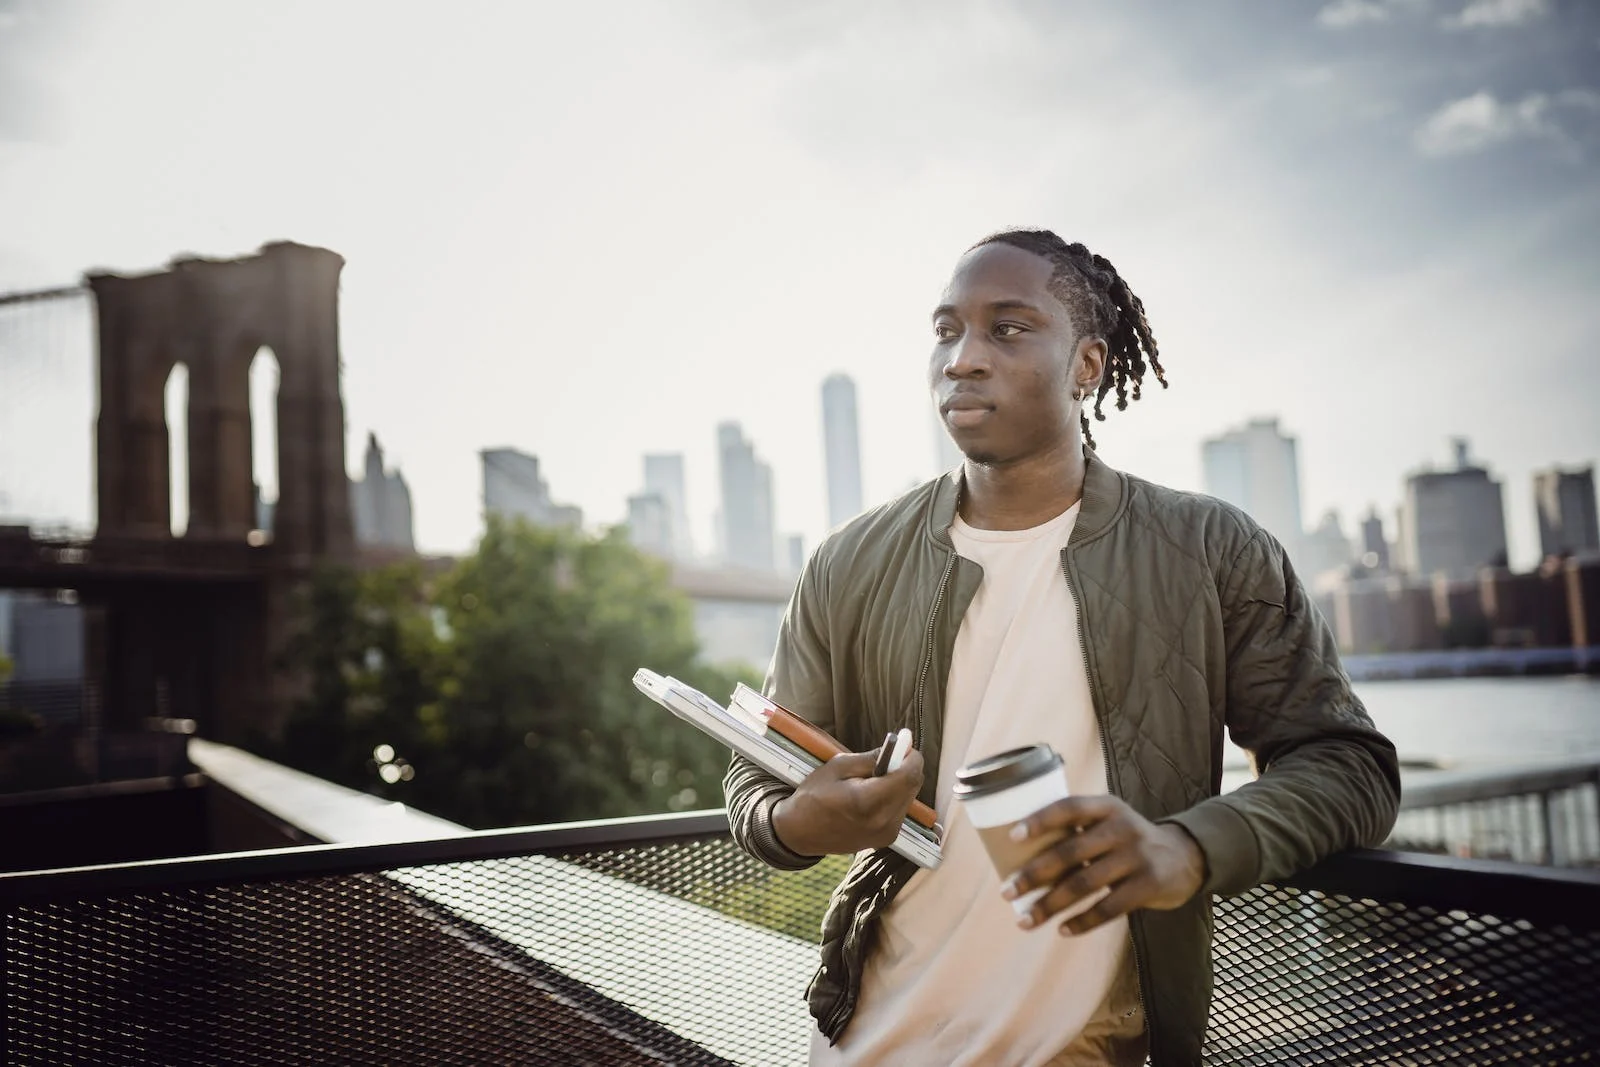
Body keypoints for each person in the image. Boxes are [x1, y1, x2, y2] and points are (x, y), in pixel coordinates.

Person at [723, 229, 1401, 1067]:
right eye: (946, 330)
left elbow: (1350, 766)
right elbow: (755, 774)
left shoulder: (1210, 548)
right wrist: (795, 820)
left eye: (1007, 329)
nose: (963, 358)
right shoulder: (848, 561)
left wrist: (1186, 848)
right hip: (863, 1045)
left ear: (1087, 365)